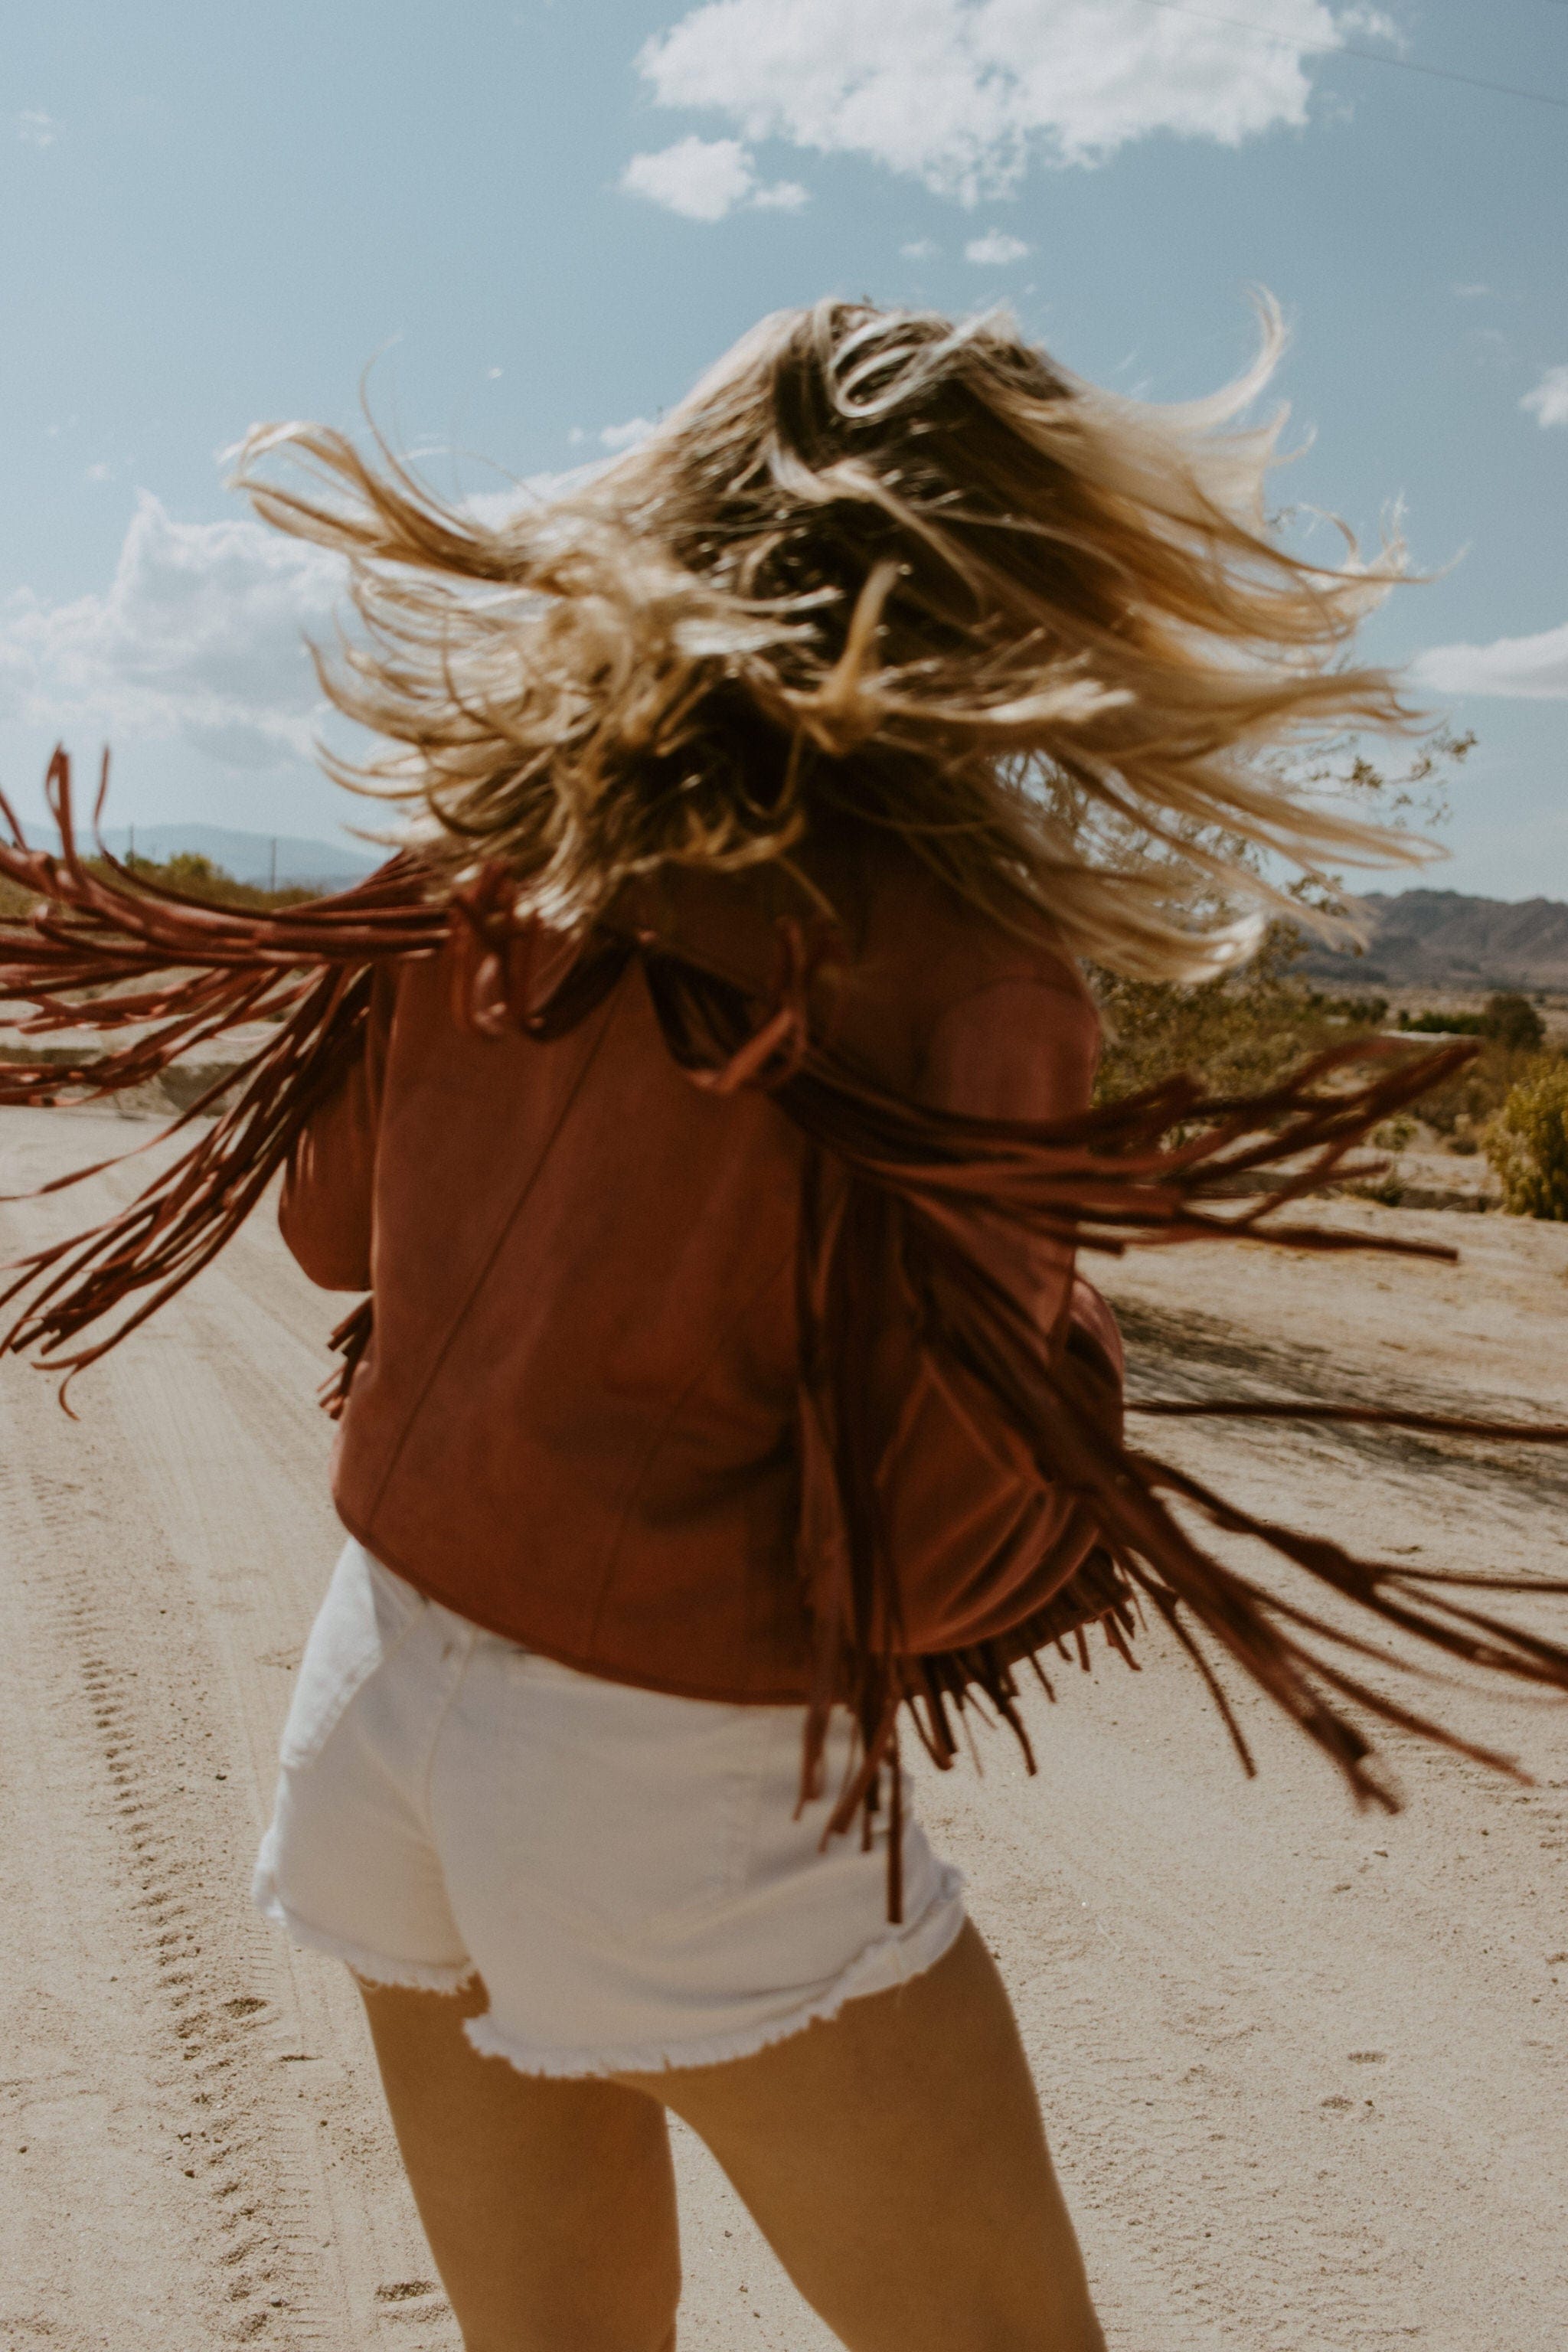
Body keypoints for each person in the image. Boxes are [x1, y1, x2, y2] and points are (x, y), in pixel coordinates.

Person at [5, 301, 1564, 2352]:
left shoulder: (502, 839)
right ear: (1016, 589)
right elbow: (927, 1528)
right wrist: (1077, 1379)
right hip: (672, 1762)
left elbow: (322, 1233)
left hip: (377, 1696)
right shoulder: (969, 959)